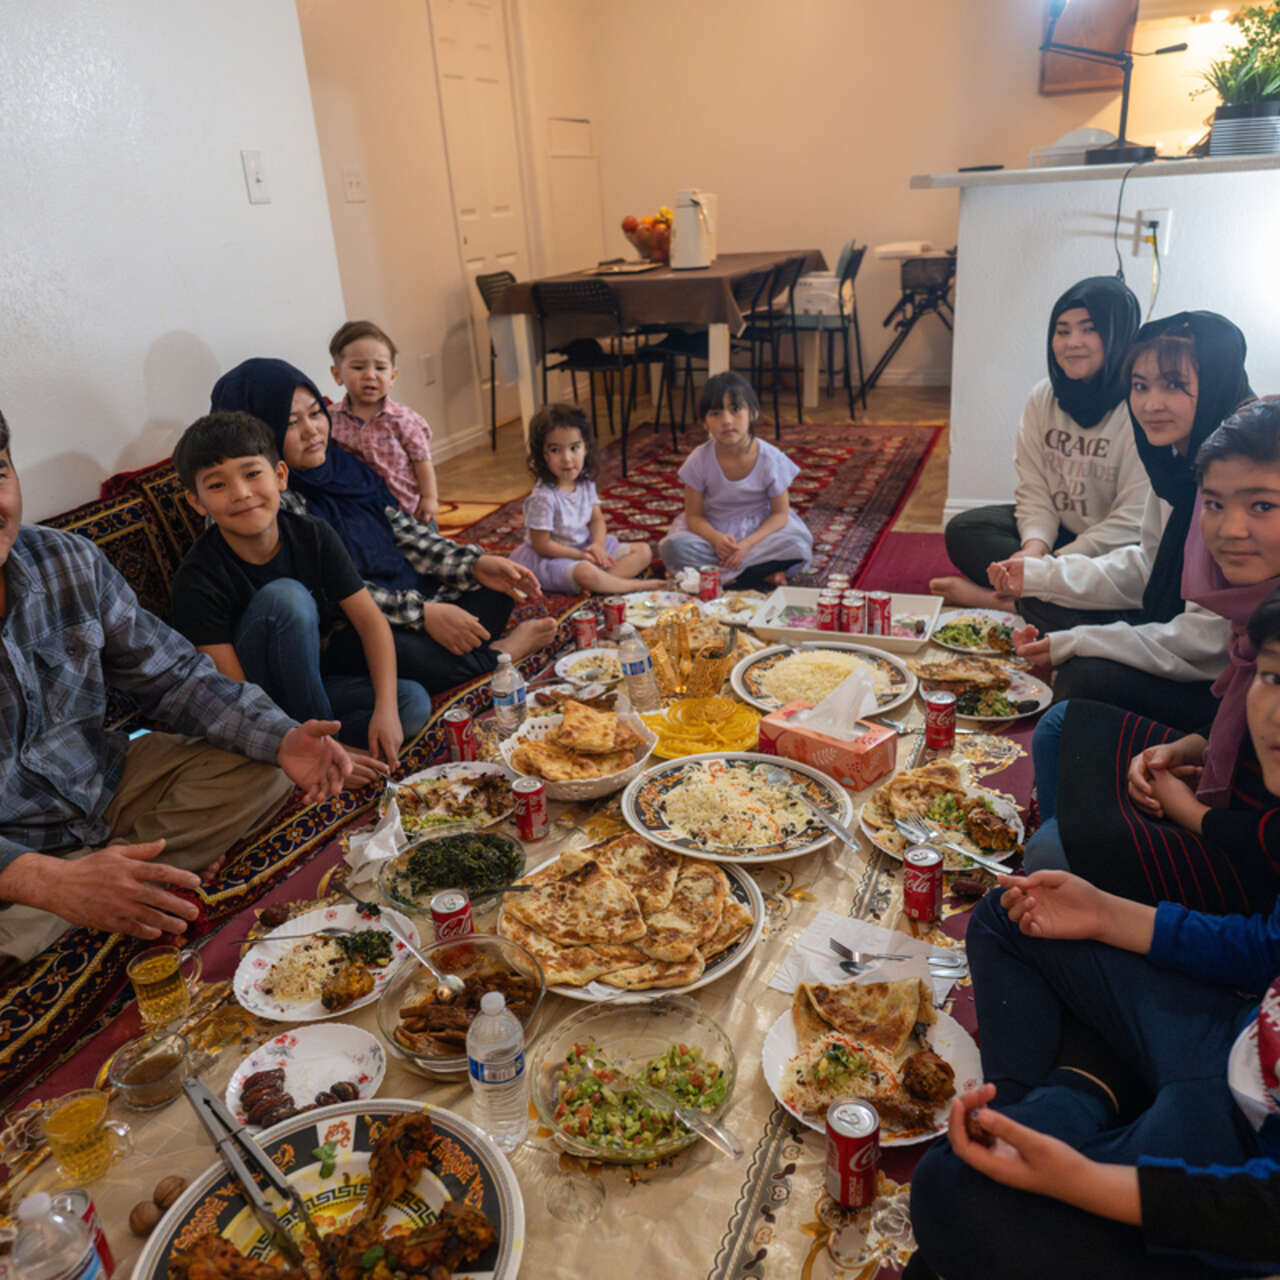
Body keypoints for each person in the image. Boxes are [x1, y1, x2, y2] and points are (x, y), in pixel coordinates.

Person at [906, 586, 1280, 1277]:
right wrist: (1106, 914)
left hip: (1241, 1158)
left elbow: (1265, 1211)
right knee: (1015, 915)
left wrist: (1074, 1179)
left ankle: (1075, 1100)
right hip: (1234, 1034)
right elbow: (1264, 948)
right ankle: (1058, 1102)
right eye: (1274, 675)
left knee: (946, 1199)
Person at [0, 408, 355, 964]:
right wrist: (40, 879)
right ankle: (101, 888)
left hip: (102, 780)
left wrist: (282, 738)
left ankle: (109, 885)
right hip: (13, 846)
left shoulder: (65, 560)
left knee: (264, 764)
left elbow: (174, 676)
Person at [1024, 400, 1280, 915]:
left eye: (1261, 507)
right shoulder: (1247, 601)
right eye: (1214, 504)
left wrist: (1191, 813)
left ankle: (1089, 901)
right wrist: (1193, 749)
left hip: (1256, 871)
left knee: (1050, 851)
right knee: (1061, 724)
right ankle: (1075, 868)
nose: (1230, 530)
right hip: (1229, 782)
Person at [209, 359, 555, 695]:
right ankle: (499, 654)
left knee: (495, 586)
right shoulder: (270, 503)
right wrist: (423, 615)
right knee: (412, 657)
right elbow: (332, 591)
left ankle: (463, 651)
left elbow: (403, 532)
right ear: (260, 432)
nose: (312, 430)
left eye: (316, 413)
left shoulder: (343, 467)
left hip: (403, 592)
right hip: (345, 626)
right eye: (291, 422)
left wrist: (473, 564)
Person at [988, 311, 1253, 728]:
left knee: (1083, 677)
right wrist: (1041, 574)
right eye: (1140, 386)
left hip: (1237, 683)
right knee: (1040, 598)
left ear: (1216, 383)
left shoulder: (1237, 484)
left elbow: (1212, 643)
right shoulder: (1176, 467)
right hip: (1175, 628)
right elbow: (1148, 566)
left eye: (1174, 386)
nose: (1151, 405)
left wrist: (1082, 642)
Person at [170, 410, 431, 770]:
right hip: (259, 707)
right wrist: (288, 739)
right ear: (197, 502)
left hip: (312, 682)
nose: (241, 494)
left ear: (279, 476)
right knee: (287, 598)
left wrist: (385, 711)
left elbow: (371, 622)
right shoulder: (197, 578)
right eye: (217, 485)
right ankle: (322, 752)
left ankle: (328, 745)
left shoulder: (312, 534)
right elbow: (233, 695)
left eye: (252, 474)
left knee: (411, 703)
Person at [930, 276, 1147, 626]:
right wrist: (1033, 548)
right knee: (965, 530)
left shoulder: (1142, 407)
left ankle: (998, 600)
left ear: (1118, 334)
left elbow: (1131, 521)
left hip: (1113, 548)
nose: (1071, 343)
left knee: (1137, 592)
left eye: (1088, 329)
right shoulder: (1043, 397)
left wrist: (1049, 567)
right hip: (1061, 533)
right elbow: (1034, 490)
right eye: (1062, 331)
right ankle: (1039, 597)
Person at [658, 371, 813, 591]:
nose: (727, 421)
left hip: (759, 534)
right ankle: (757, 575)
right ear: (704, 423)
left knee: (797, 542)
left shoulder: (771, 458)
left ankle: (720, 576)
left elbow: (780, 514)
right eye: (715, 413)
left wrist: (747, 545)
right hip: (714, 533)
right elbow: (693, 516)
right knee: (674, 547)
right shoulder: (699, 459)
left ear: (754, 413)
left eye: (736, 409)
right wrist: (716, 540)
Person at [509, 403, 656, 595]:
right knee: (585, 571)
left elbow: (597, 519)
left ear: (585, 448)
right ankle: (633, 586)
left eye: (574, 448)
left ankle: (601, 584)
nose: (567, 458)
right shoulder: (542, 498)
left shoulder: (585, 482)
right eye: (555, 450)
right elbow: (542, 545)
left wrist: (598, 546)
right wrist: (579, 556)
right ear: (543, 455)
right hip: (553, 557)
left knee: (644, 551)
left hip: (584, 546)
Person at [328, 320, 438, 526]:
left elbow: (422, 461)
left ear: (392, 376)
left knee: (429, 553)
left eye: (380, 367)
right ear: (337, 374)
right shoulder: (331, 419)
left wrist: (429, 498)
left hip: (410, 510)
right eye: (358, 367)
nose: (370, 375)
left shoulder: (403, 419)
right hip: (363, 514)